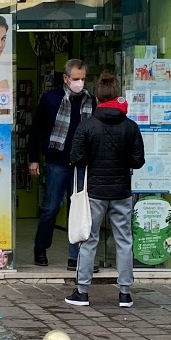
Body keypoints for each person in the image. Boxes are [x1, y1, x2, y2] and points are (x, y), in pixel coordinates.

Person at [66, 72, 146, 310]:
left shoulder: (88, 125)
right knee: (124, 240)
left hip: (95, 191)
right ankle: (124, 293)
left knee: (89, 240)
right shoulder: (130, 127)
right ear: (117, 95)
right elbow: (138, 160)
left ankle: (82, 291)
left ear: (98, 99)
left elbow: (76, 157)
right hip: (121, 190)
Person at [27, 59, 95, 268]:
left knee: (79, 210)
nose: (80, 83)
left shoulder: (90, 101)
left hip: (81, 164)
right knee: (51, 208)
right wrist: (33, 159)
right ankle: (41, 248)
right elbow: (36, 130)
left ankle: (75, 257)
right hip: (57, 161)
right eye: (76, 79)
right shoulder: (50, 99)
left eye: (83, 79)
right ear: (66, 78)